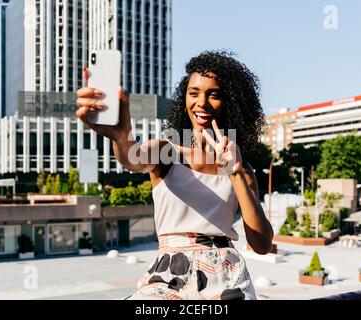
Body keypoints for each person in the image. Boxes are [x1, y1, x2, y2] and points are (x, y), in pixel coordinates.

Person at [76, 50, 274, 300]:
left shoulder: (242, 171)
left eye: (213, 94)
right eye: (194, 93)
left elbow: (262, 245)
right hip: (170, 275)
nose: (201, 103)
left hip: (227, 278)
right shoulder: (168, 152)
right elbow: (132, 158)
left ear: (231, 103)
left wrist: (235, 173)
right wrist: (121, 135)